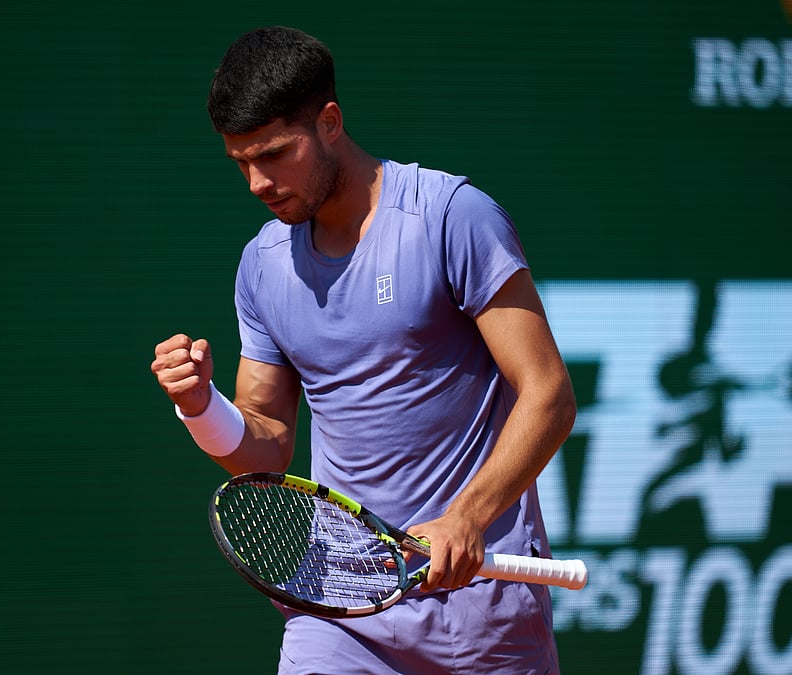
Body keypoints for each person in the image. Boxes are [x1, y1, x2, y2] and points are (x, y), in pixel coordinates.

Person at [150, 25, 576, 674]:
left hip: (479, 606)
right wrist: (200, 404)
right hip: (341, 601)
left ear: (329, 122)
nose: (257, 182)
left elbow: (548, 393)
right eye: (241, 162)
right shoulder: (263, 265)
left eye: (273, 154)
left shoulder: (450, 217)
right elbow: (264, 443)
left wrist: (466, 516)